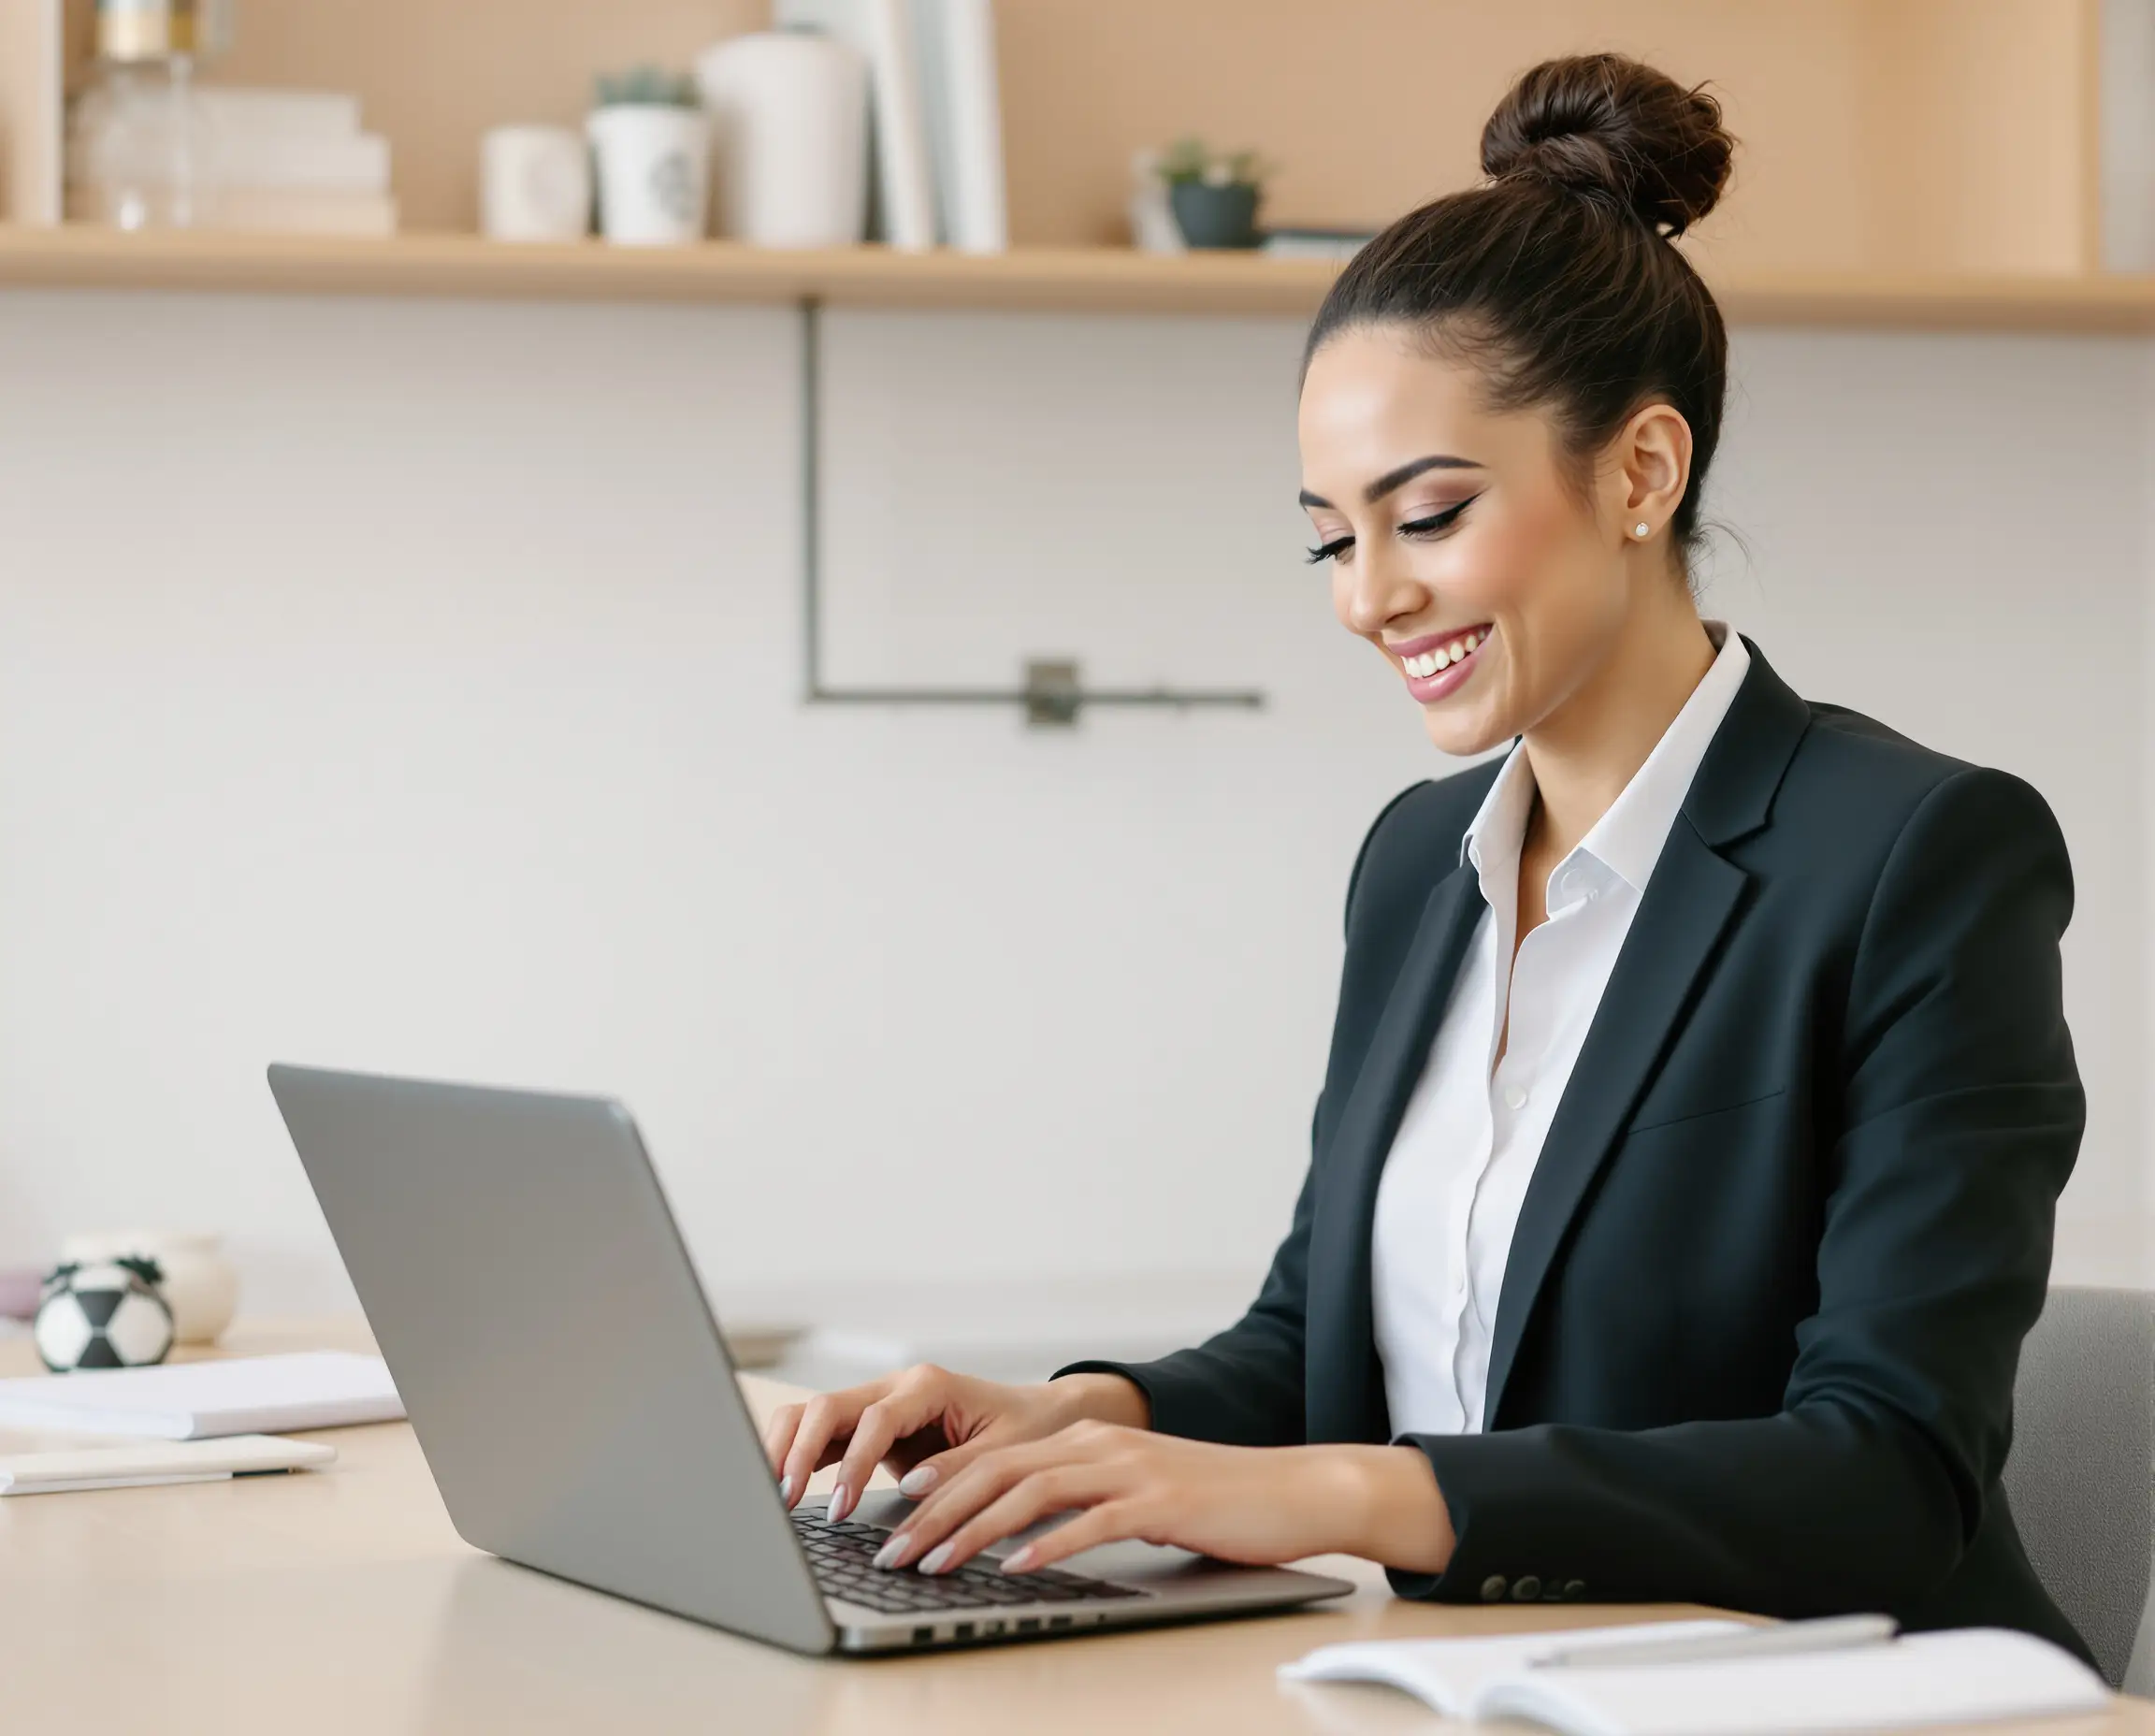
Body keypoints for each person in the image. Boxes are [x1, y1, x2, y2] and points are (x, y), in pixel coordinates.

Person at [762, 51, 2092, 1662]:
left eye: (1431, 513)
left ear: (1641, 472)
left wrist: (1347, 1499)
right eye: (1333, 534)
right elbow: (1320, 1343)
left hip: (1815, 1691)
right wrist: (1064, 1415)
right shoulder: (1418, 864)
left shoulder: (1916, 857)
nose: (1366, 596)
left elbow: (1886, 1476)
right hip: (1471, 1679)